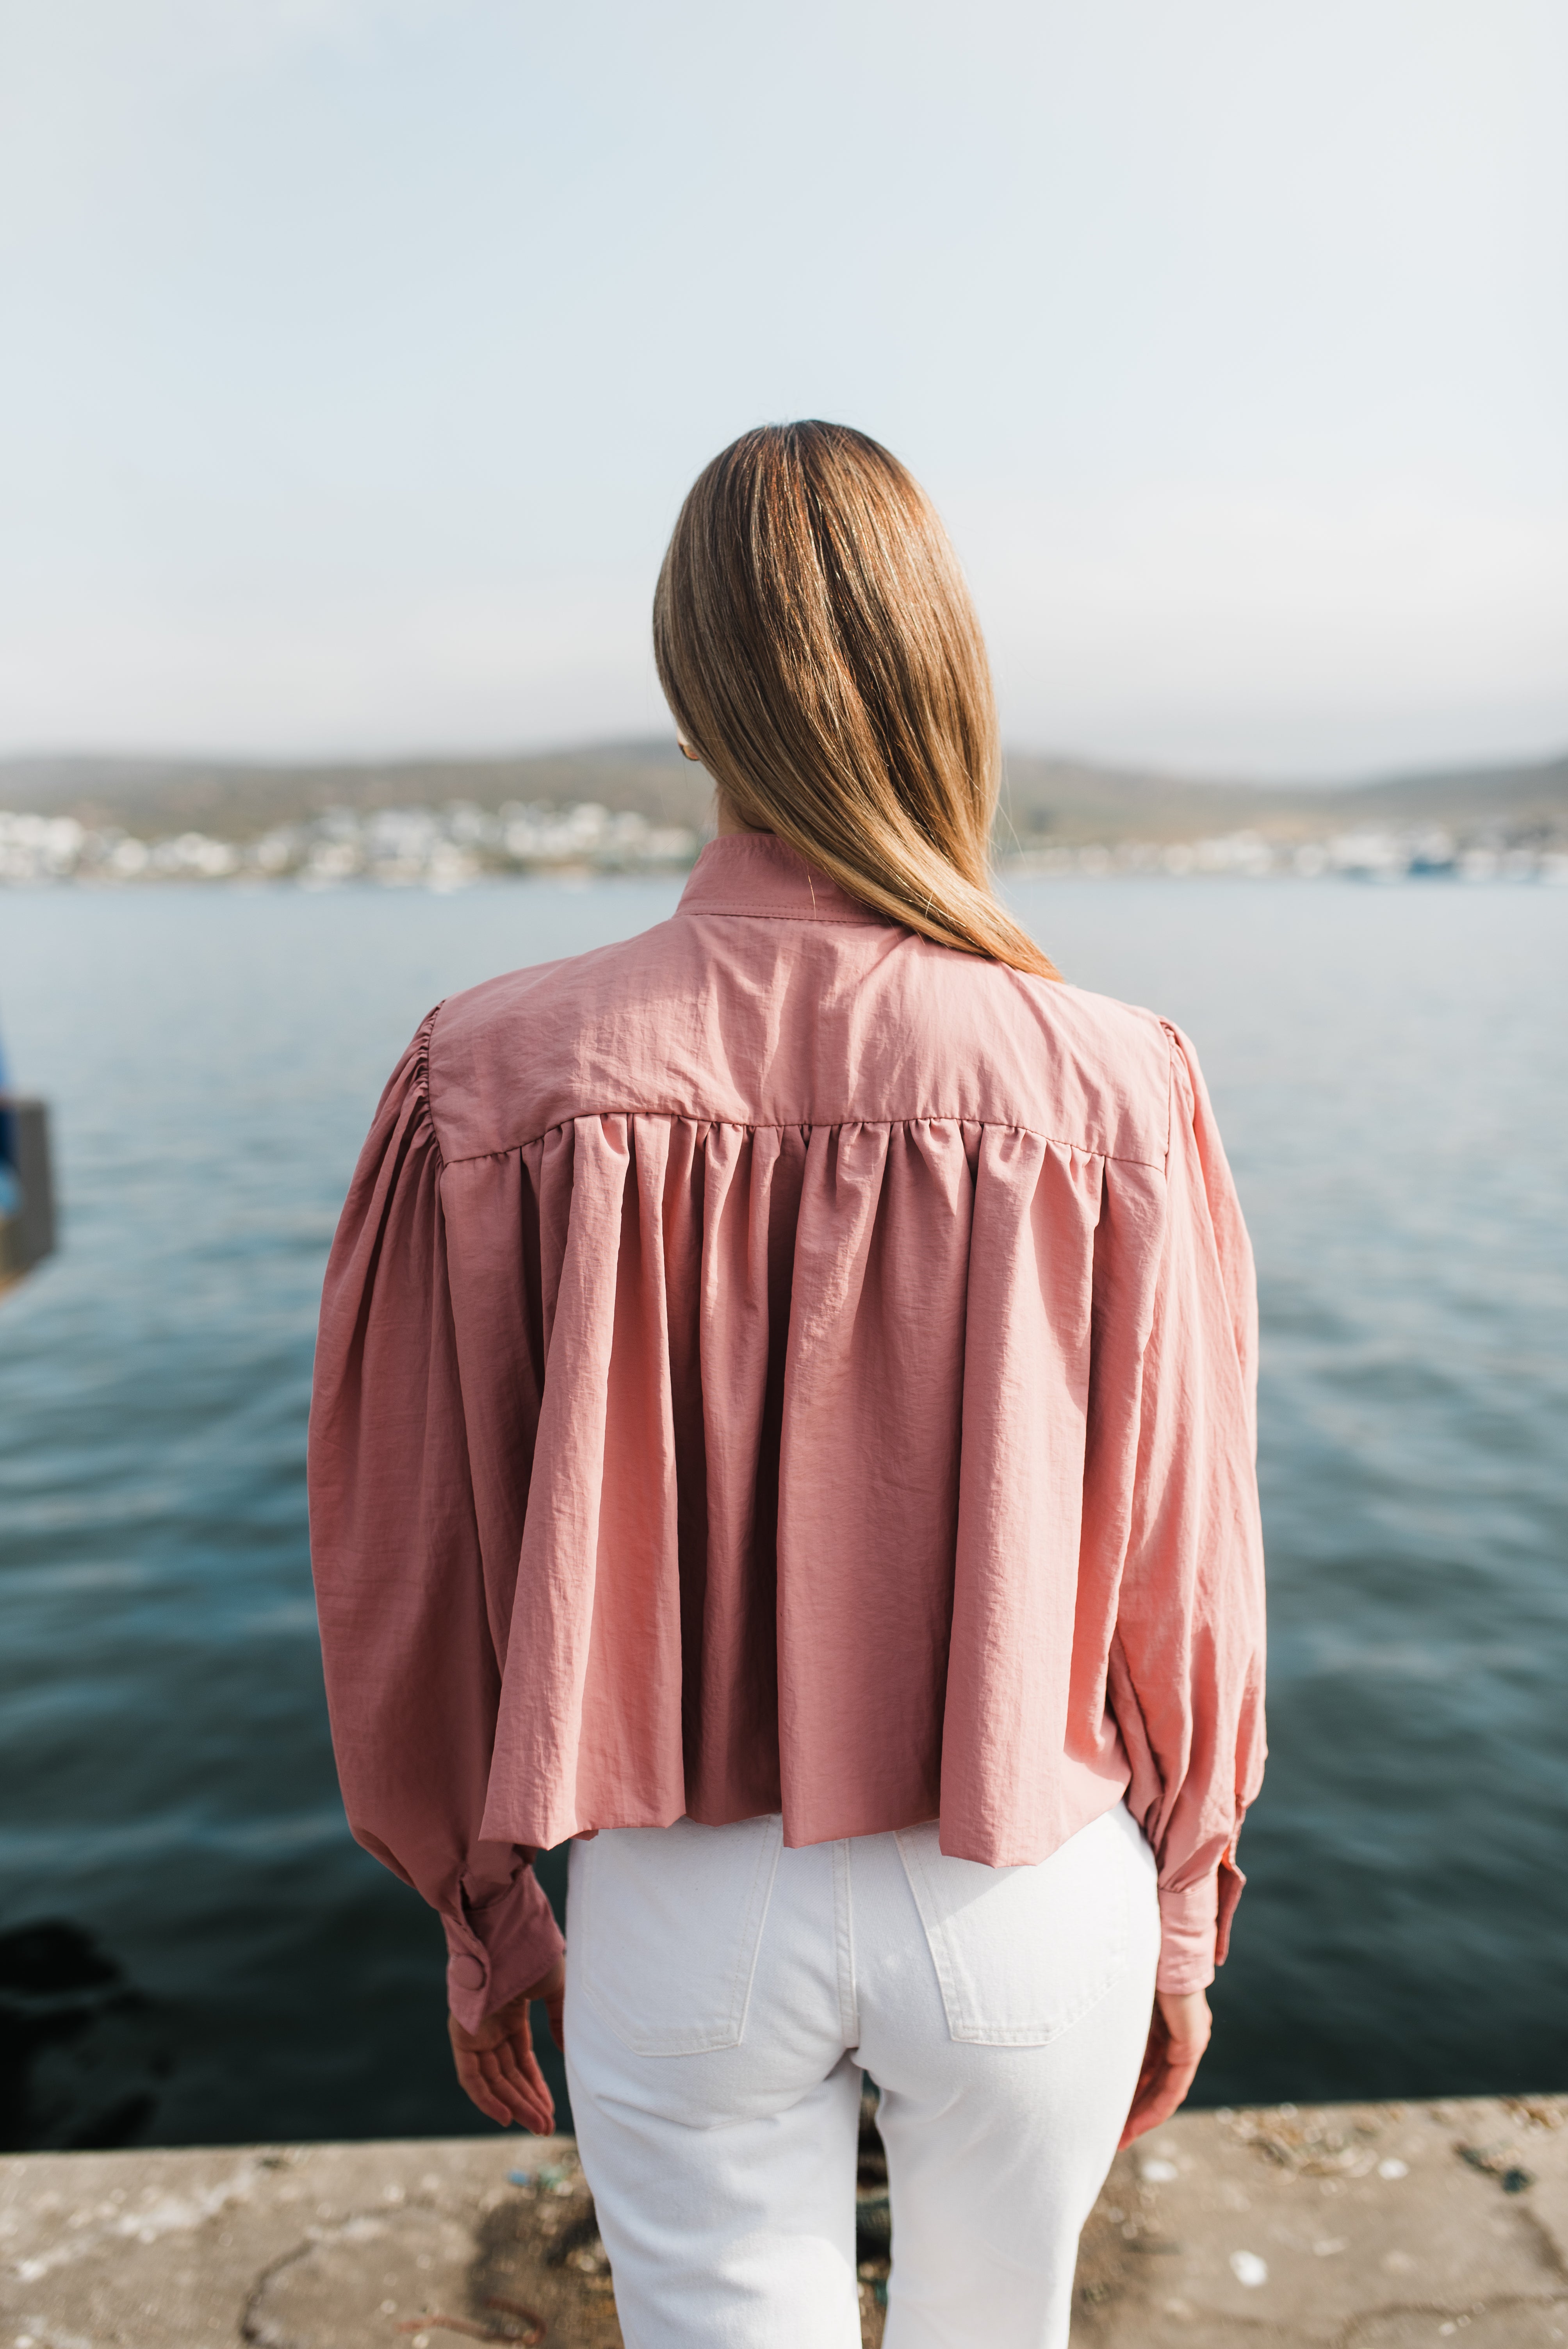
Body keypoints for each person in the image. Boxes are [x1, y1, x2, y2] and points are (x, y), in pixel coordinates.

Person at [308, 421, 1266, 2349]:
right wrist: (1182, 1898)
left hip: (680, 1901)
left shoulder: (487, 1073)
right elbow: (1189, 1561)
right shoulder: (1115, 1082)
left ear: (687, 699)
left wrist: (482, 1907)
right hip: (1027, 1884)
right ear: (947, 683)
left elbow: (406, 1561)